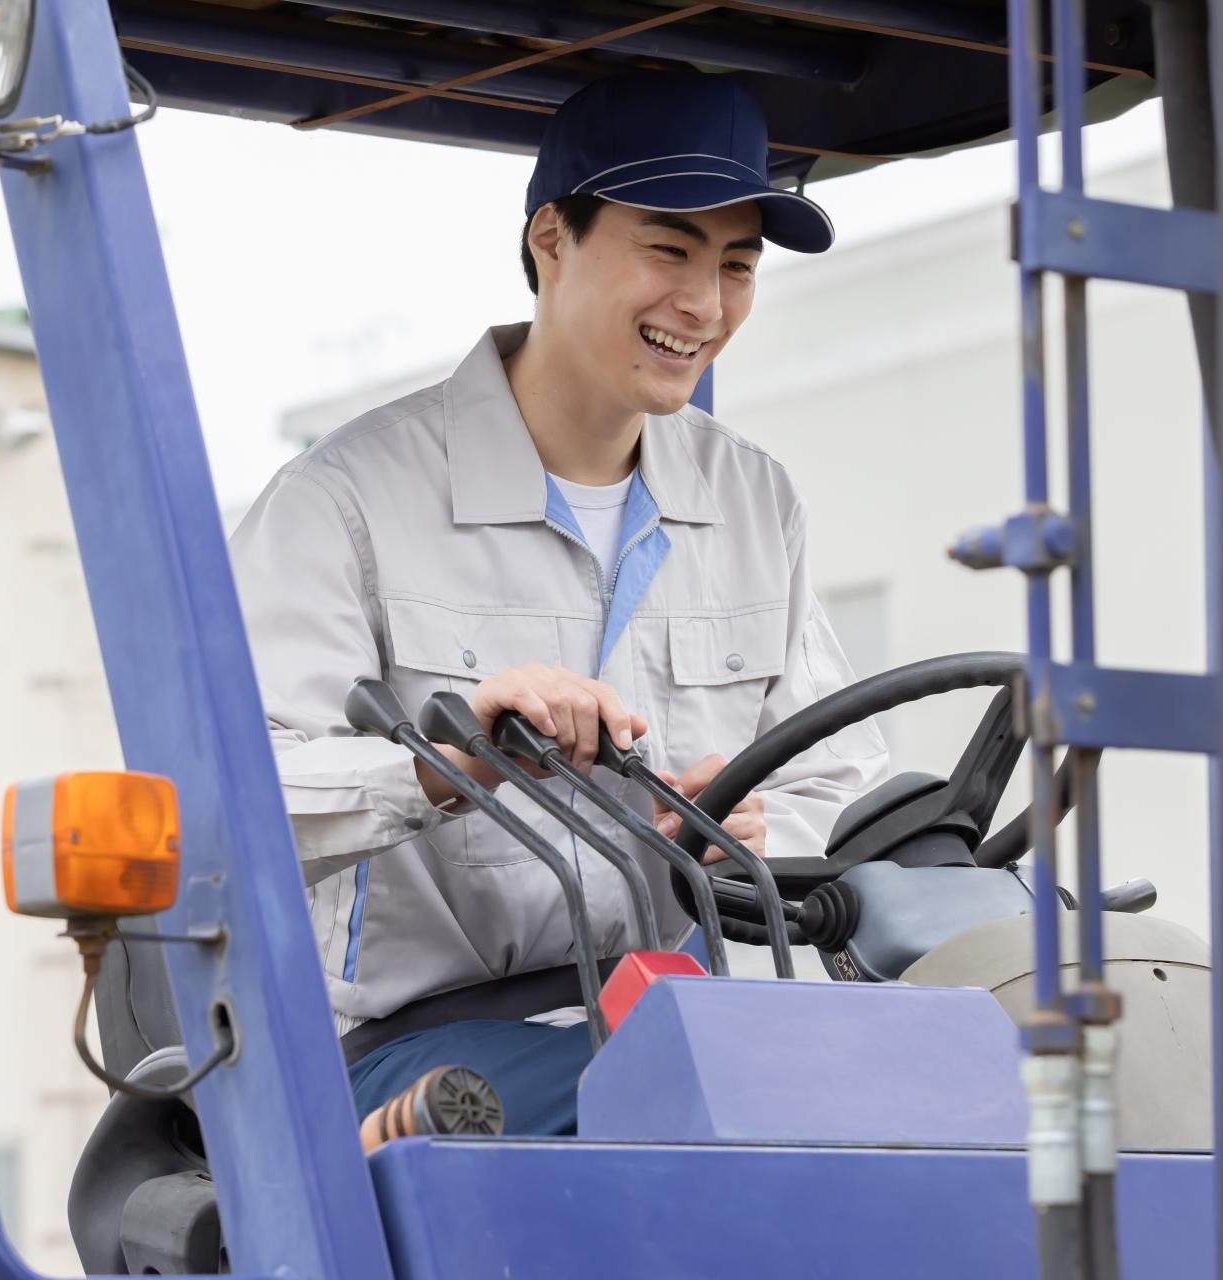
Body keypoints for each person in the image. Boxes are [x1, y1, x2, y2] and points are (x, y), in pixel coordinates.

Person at [229, 71, 888, 1136]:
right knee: (717, 1112)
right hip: (414, 1050)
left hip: (679, 1023)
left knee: (942, 1096)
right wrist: (451, 765)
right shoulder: (348, 500)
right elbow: (226, 791)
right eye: (669, 250)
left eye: (736, 265)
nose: (705, 305)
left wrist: (763, 827)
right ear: (551, 238)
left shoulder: (757, 502)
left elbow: (840, 787)